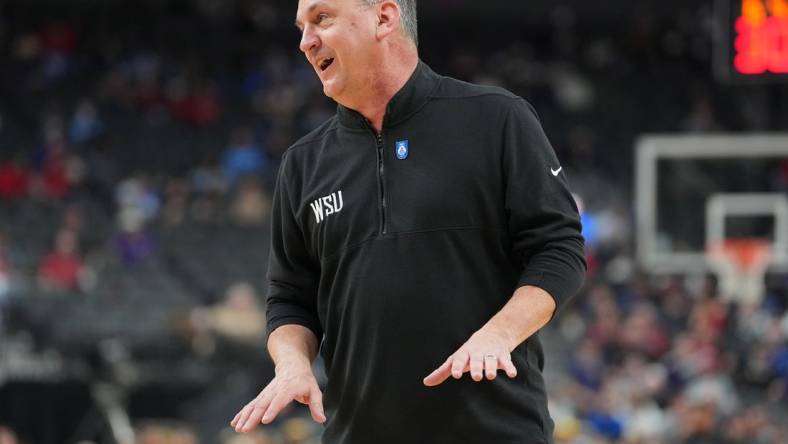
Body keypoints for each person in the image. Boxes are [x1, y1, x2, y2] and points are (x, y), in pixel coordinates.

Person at [231, 0, 586, 442]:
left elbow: (560, 249)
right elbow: (288, 299)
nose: (306, 41)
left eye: (322, 18)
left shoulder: (496, 119)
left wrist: (500, 334)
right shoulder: (302, 164)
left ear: (384, 18)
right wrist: (292, 365)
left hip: (496, 430)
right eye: (301, 27)